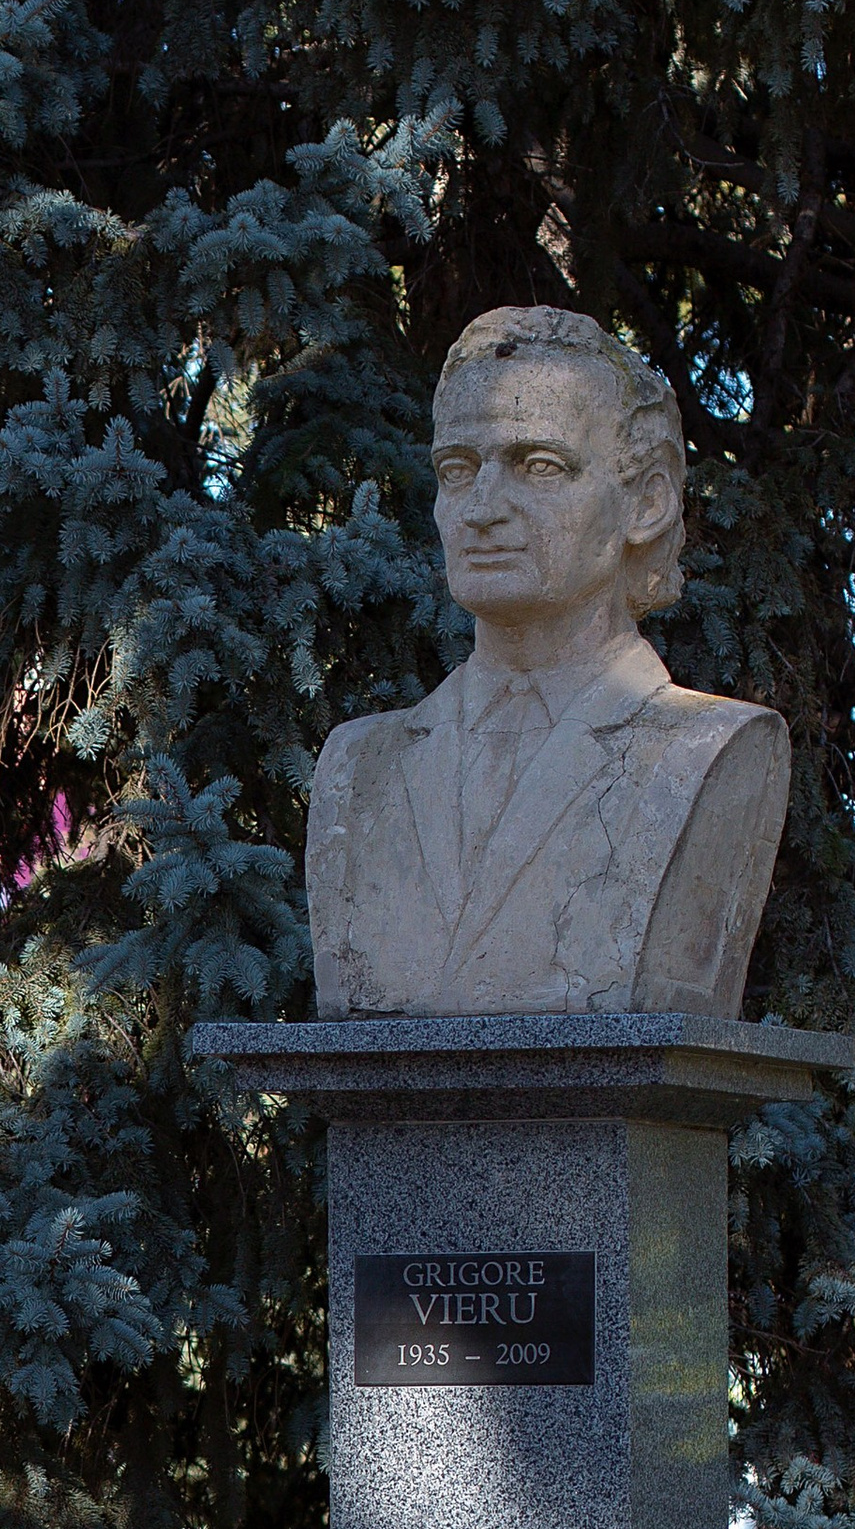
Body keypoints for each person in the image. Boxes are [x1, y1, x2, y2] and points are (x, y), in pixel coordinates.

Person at [307, 304, 789, 1017]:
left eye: (539, 466)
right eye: (458, 469)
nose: (482, 508)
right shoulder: (358, 767)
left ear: (646, 503)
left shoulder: (711, 751)